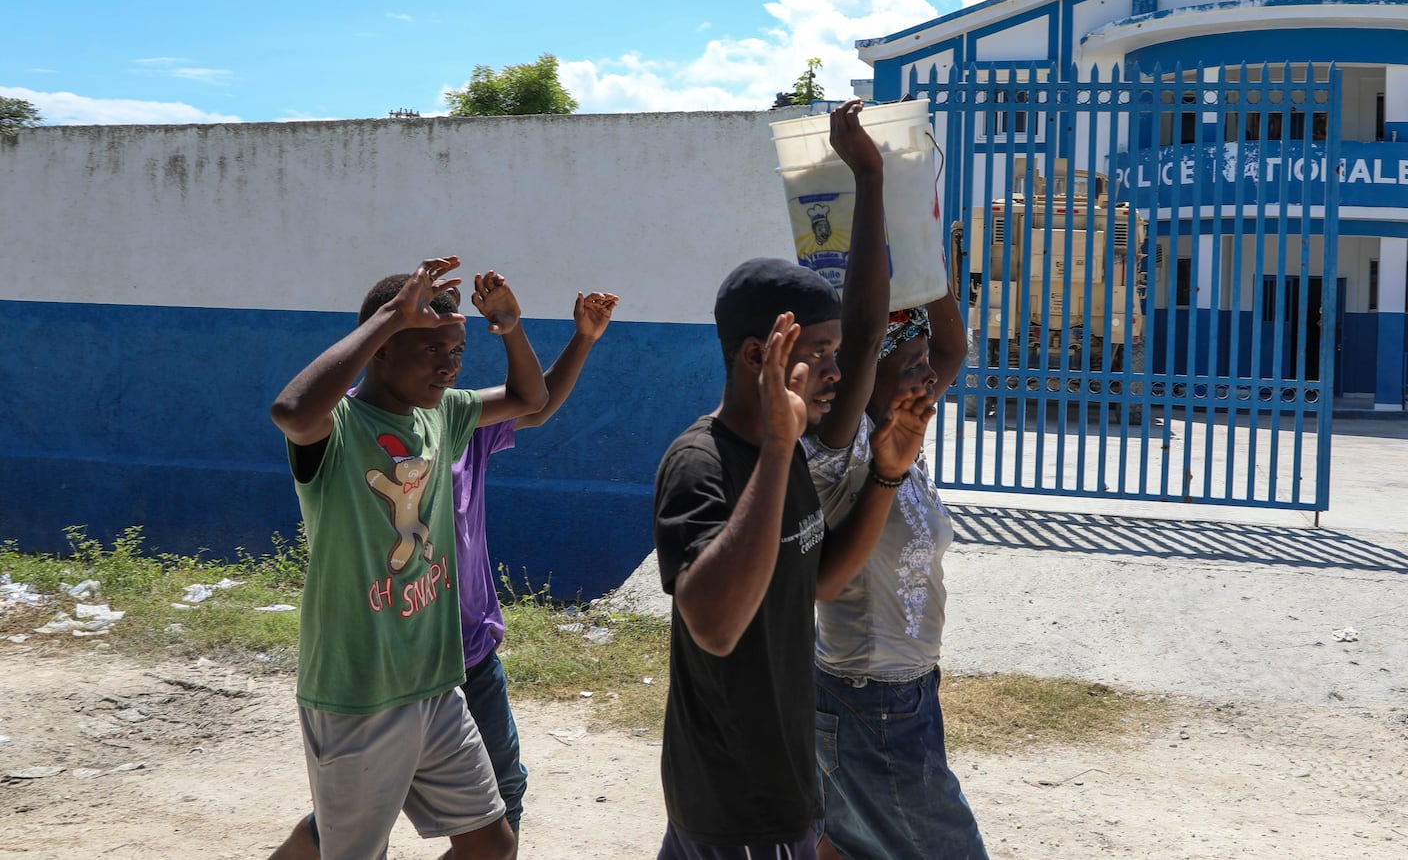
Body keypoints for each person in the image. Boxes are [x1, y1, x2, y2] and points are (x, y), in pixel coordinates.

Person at [652, 101, 935, 859]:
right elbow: (712, 622)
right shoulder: (702, 464)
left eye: (838, 350)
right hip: (737, 797)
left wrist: (884, 475)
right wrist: (779, 449)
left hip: (779, 780)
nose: (841, 370)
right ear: (757, 356)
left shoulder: (798, 449)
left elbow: (813, 579)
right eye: (819, 351)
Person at [272, 290, 618, 860]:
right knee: (352, 843)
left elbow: (534, 399)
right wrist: (390, 316)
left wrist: (509, 327)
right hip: (362, 688)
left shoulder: (446, 414)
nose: (449, 363)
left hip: (440, 675)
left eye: (456, 350)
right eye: (432, 347)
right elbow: (292, 412)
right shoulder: (340, 427)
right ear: (382, 348)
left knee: (494, 836)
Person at [804, 290, 987, 860]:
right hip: (870, 700)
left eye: (927, 364)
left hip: (907, 693)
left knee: (848, 849)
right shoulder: (842, 453)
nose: (930, 377)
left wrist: (921, 261)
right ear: (866, 379)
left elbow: (954, 346)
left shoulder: (903, 434)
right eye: (911, 365)